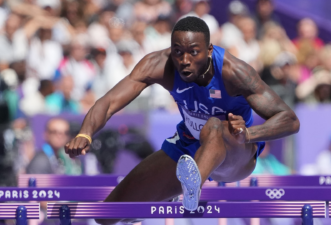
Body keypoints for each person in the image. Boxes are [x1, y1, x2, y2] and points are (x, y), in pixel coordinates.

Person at [64, 17, 300, 224]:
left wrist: (249, 134)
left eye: (193, 52)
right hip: (189, 148)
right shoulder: (159, 64)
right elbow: (109, 102)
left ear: (209, 50)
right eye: (178, 51)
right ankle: (181, 188)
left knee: (214, 126)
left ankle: (191, 187)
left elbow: (289, 120)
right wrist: (85, 133)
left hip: (235, 154)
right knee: (107, 214)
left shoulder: (234, 72)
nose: (184, 60)